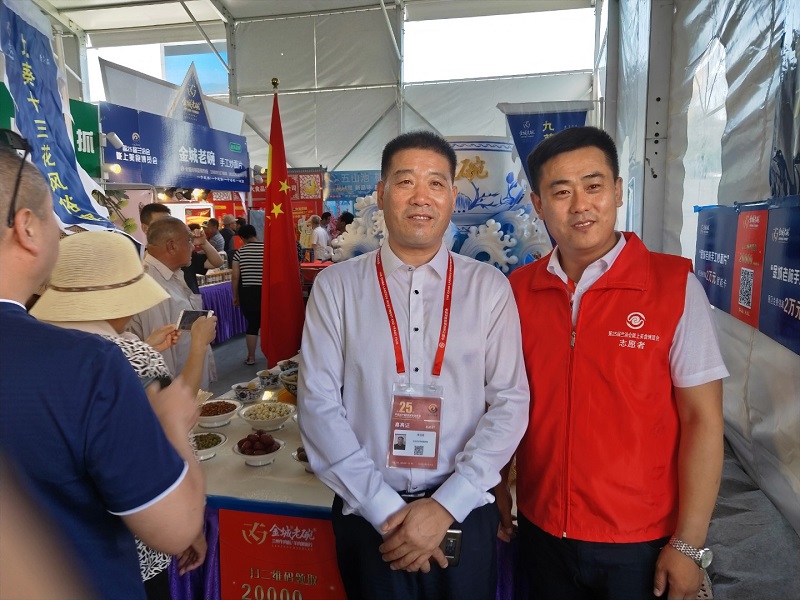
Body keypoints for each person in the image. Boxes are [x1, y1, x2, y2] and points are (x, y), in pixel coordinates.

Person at [297, 131, 529, 599]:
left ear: (453, 197)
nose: (421, 197)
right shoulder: (336, 287)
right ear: (381, 193)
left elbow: (510, 402)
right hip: (368, 516)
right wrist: (385, 509)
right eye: (406, 182)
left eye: (436, 183)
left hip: (463, 510)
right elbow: (318, 405)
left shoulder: (488, 288)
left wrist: (445, 506)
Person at [505, 126, 728, 600]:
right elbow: (503, 401)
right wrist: (498, 490)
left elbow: (703, 420)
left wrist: (689, 545)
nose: (580, 205)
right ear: (538, 204)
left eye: (594, 186)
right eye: (561, 192)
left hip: (641, 541)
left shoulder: (673, 287)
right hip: (543, 530)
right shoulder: (518, 292)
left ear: (618, 191)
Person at [0, 136, 205, 599]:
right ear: (27, 227)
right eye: (53, 217)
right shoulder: (88, 363)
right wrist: (174, 424)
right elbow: (175, 528)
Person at [30, 230, 217, 600]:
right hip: (127, 547)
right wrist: (190, 526)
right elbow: (159, 449)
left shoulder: (36, 350)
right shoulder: (128, 355)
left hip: (49, 548)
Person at [129, 216, 218, 389]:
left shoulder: (173, 274)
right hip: (179, 392)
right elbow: (162, 361)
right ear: (171, 246)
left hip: (189, 386)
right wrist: (175, 398)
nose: (193, 246)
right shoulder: (153, 286)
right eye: (189, 241)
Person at [139, 204, 222, 293]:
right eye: (159, 224)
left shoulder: (183, 255)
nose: (167, 227)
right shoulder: (141, 262)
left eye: (170, 223)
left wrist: (204, 243)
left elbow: (216, 263)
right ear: (145, 228)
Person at [231, 224, 264, 366]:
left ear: (242, 238)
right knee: (271, 324)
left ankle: (251, 357)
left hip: (248, 292)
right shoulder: (267, 249)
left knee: (252, 325)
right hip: (266, 292)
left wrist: (235, 296)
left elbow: (235, 276)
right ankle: (275, 356)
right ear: (255, 234)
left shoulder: (240, 252)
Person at [185, 223, 224, 289]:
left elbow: (218, 263)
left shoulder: (190, 257)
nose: (193, 247)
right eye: (188, 241)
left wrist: (204, 243)